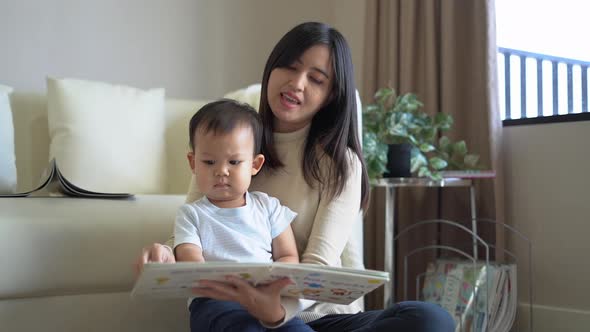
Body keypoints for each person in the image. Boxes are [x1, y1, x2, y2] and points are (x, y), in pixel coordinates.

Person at [137, 21, 455, 331]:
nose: (297, 83)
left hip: (320, 317)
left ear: (331, 94)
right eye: (290, 66)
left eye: (316, 79)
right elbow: (197, 222)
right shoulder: (231, 144)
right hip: (239, 310)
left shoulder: (341, 163)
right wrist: (165, 253)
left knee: (430, 319)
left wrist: (276, 313)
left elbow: (317, 266)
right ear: (272, 68)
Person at [175, 99, 311, 331]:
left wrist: (273, 281)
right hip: (214, 301)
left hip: (265, 299)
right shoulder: (191, 214)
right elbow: (189, 258)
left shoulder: (269, 208)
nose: (221, 171)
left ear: (255, 165)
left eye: (234, 162)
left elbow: (288, 255)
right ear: (193, 163)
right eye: (209, 162)